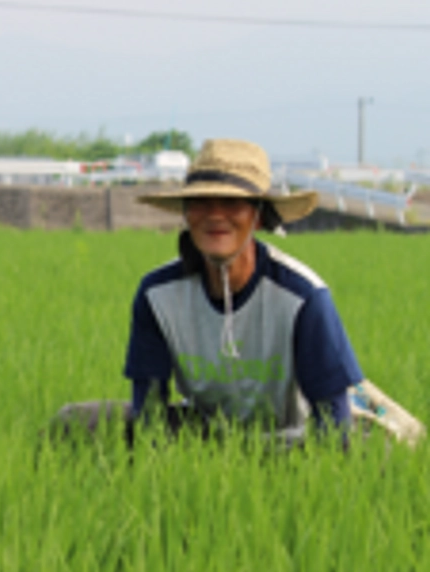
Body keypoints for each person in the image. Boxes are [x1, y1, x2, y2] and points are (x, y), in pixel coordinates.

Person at [51, 139, 360, 446]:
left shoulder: (302, 297)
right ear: (186, 213)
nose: (215, 215)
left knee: (368, 455)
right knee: (74, 423)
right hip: (204, 437)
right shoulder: (157, 295)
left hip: (287, 440)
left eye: (231, 202)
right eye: (201, 202)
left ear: (260, 215)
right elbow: (149, 413)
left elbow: (333, 422)